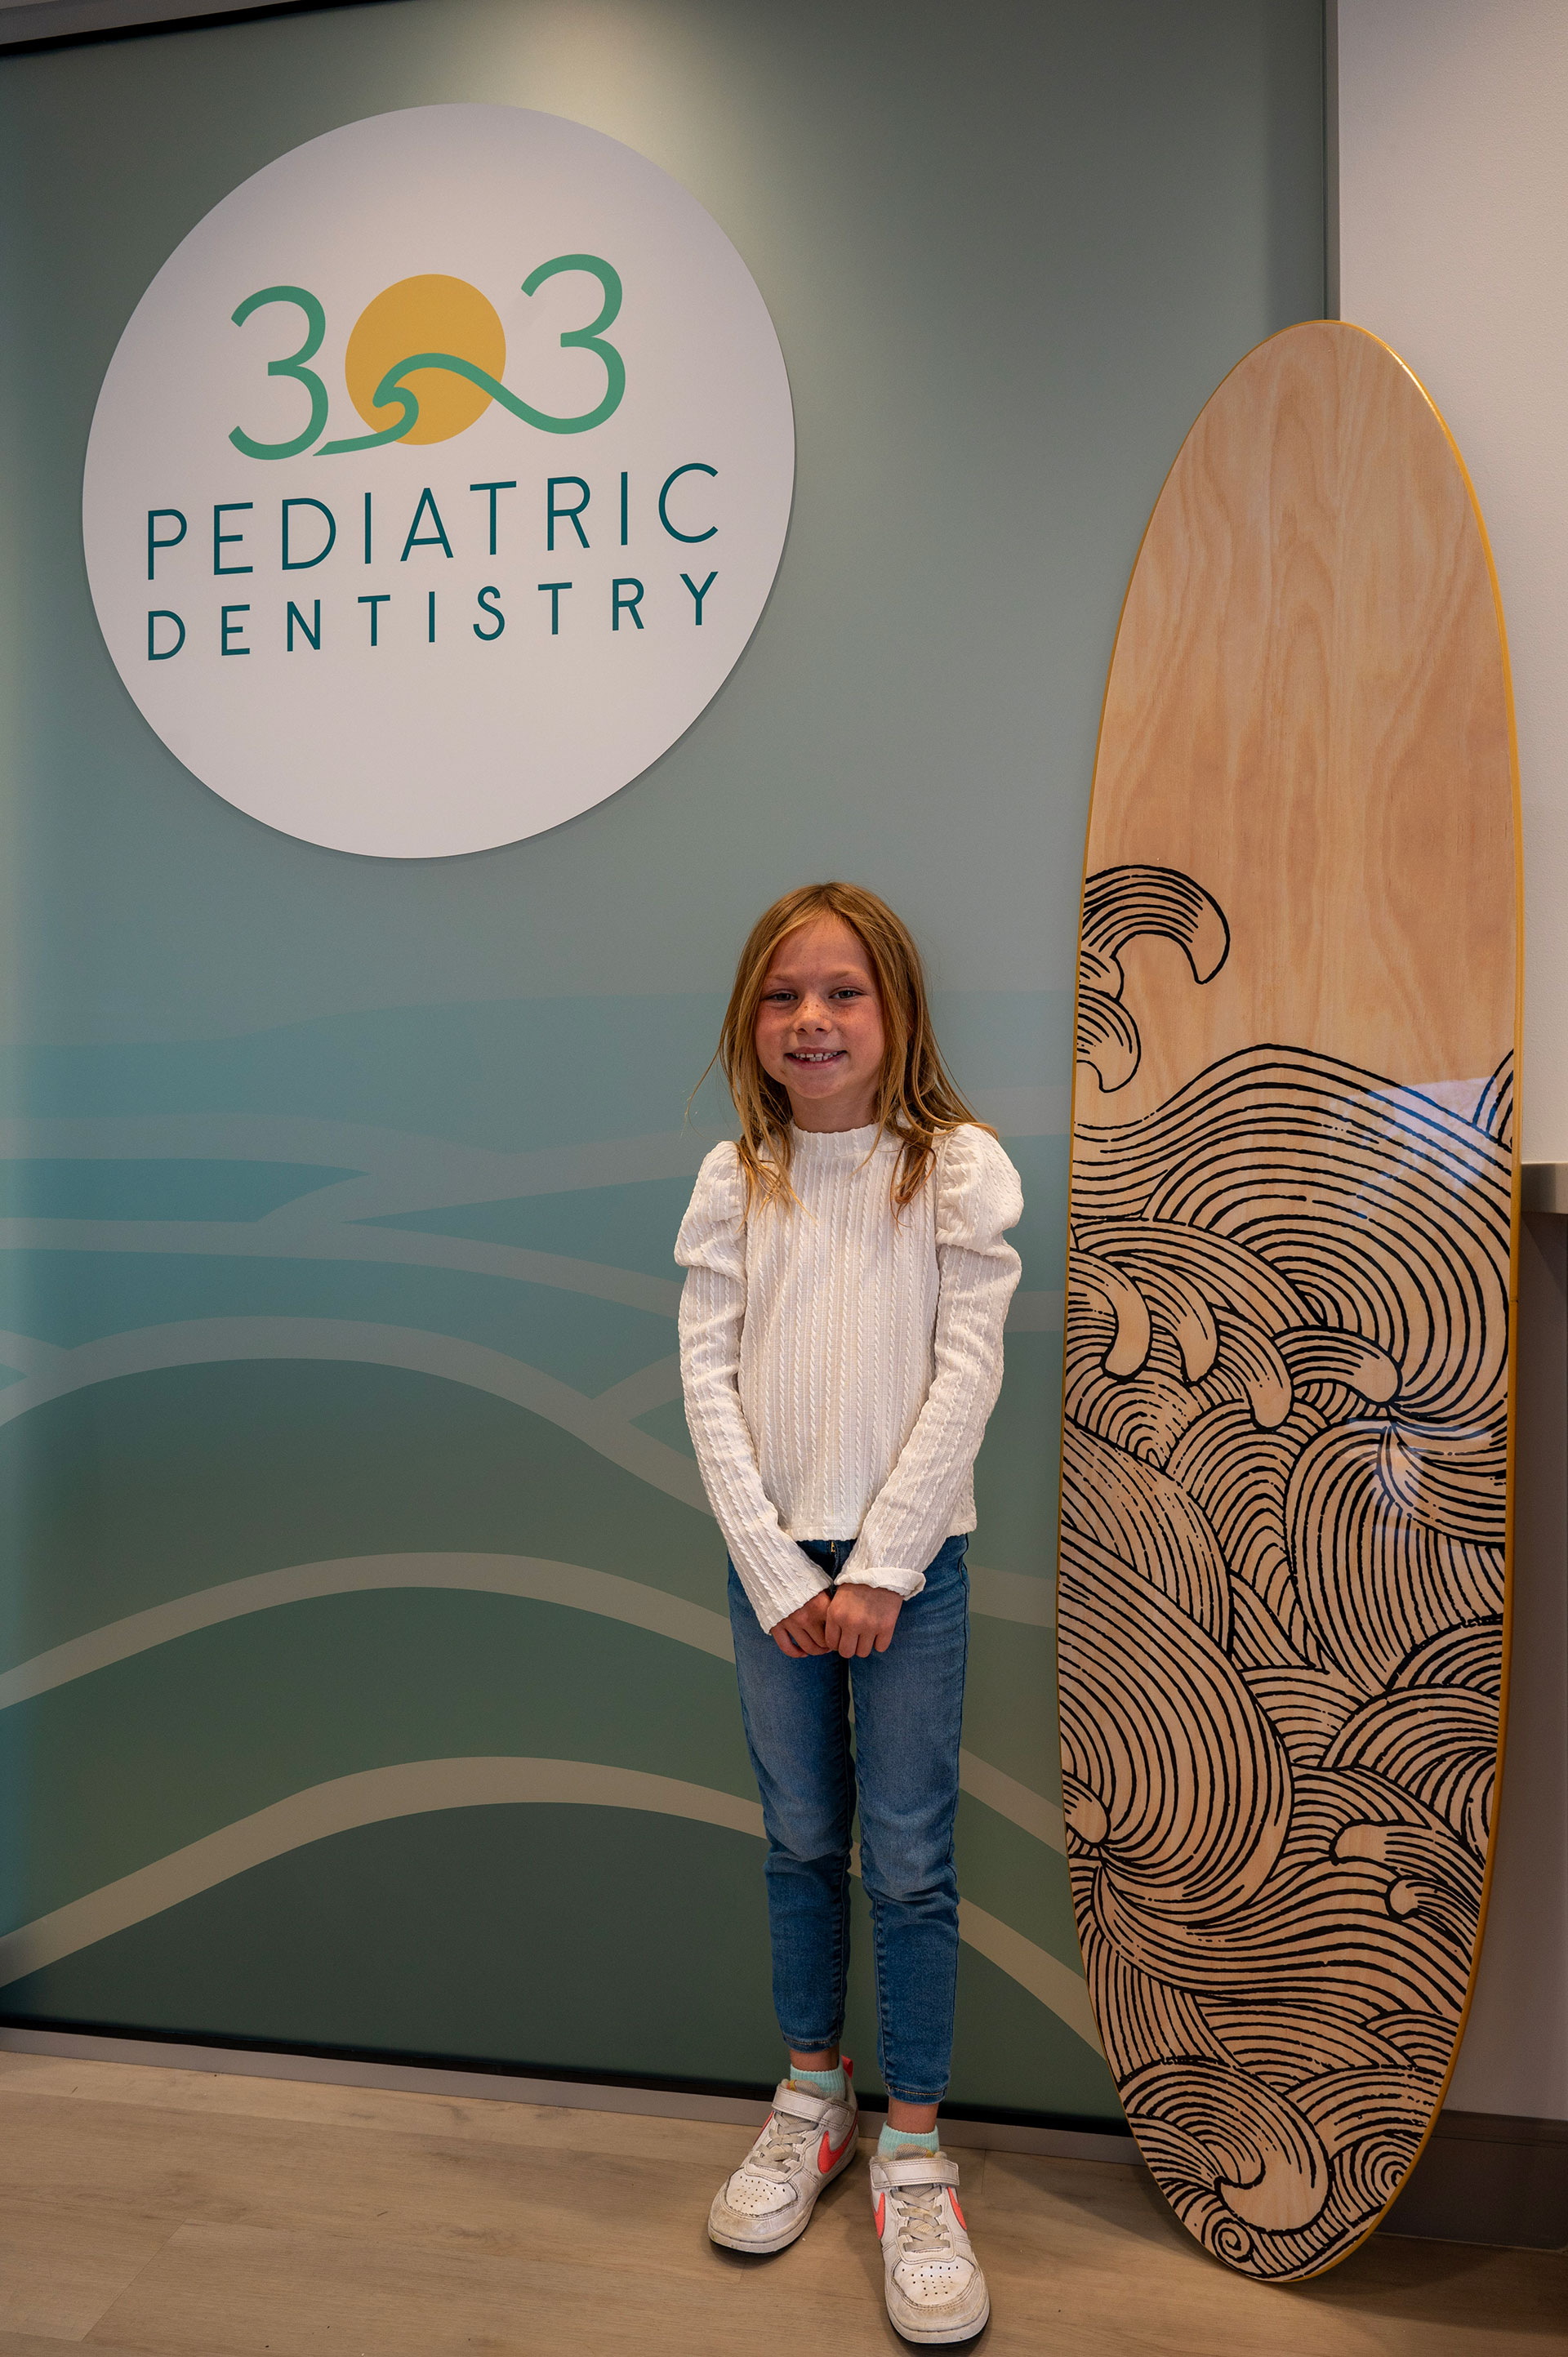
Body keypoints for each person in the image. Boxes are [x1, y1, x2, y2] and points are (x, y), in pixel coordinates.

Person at [675, 881, 1022, 2344]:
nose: (811, 1020)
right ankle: (813, 2098)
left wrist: (880, 1565)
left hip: (910, 1571)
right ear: (751, 1025)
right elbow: (705, 1377)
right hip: (774, 1572)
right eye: (782, 996)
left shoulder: (951, 1169)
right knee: (800, 1840)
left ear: (895, 1014)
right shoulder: (730, 1179)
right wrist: (781, 1573)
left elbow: (966, 1370)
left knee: (910, 1857)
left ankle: (917, 2153)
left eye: (842, 993)